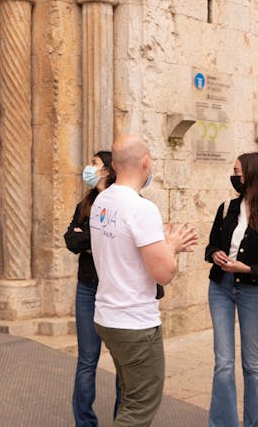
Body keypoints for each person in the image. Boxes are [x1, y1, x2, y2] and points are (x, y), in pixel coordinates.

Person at [89, 135, 198, 427]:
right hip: (135, 322)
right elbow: (164, 273)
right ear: (146, 163)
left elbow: (126, 251)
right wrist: (171, 246)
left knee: (130, 395)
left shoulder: (102, 200)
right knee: (139, 407)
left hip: (107, 316)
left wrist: (162, 244)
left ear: (113, 165)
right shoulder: (141, 208)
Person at [204, 152, 258, 427]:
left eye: (237, 171)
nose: (234, 177)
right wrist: (216, 254)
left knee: (251, 365)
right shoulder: (226, 208)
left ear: (253, 174)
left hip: (251, 292)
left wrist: (248, 269)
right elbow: (211, 246)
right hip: (220, 287)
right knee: (223, 363)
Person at [64, 151, 120, 427]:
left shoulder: (124, 203)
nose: (89, 167)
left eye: (94, 164)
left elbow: (116, 239)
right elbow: (69, 241)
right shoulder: (84, 204)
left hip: (114, 289)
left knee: (123, 362)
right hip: (87, 287)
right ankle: (84, 422)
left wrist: (86, 237)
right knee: (87, 358)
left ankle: (124, 419)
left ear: (108, 170)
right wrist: (95, 237)